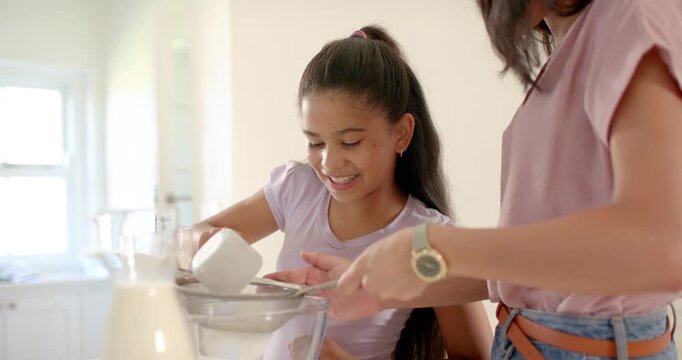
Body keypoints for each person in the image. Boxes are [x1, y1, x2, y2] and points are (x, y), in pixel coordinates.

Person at [268, 1, 682, 359]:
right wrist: (380, 284)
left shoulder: (630, 17)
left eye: (351, 140)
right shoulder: (573, 47)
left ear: (402, 135)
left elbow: (666, 246)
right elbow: (539, 273)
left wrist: (437, 246)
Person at [186, 25, 492, 359]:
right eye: (315, 142)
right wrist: (202, 247)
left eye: (350, 142)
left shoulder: (427, 239)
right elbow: (196, 234)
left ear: (401, 133)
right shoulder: (296, 189)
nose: (329, 162)